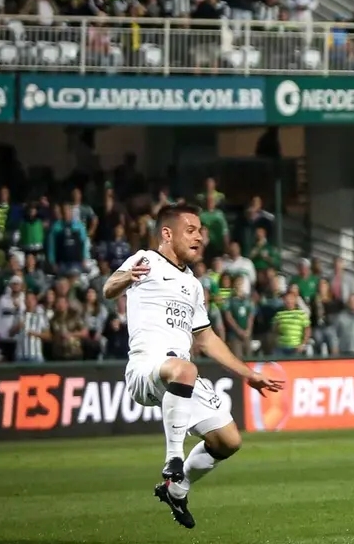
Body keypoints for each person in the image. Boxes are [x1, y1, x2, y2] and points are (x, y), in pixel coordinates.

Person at [102, 204, 283, 529]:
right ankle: (174, 459)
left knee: (228, 441)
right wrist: (127, 277)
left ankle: (177, 488)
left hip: (178, 372)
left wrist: (249, 374)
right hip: (146, 368)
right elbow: (108, 288)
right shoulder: (147, 260)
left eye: (200, 231)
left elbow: (207, 339)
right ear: (167, 234)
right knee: (186, 370)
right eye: (191, 230)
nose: (199, 236)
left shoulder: (194, 285)